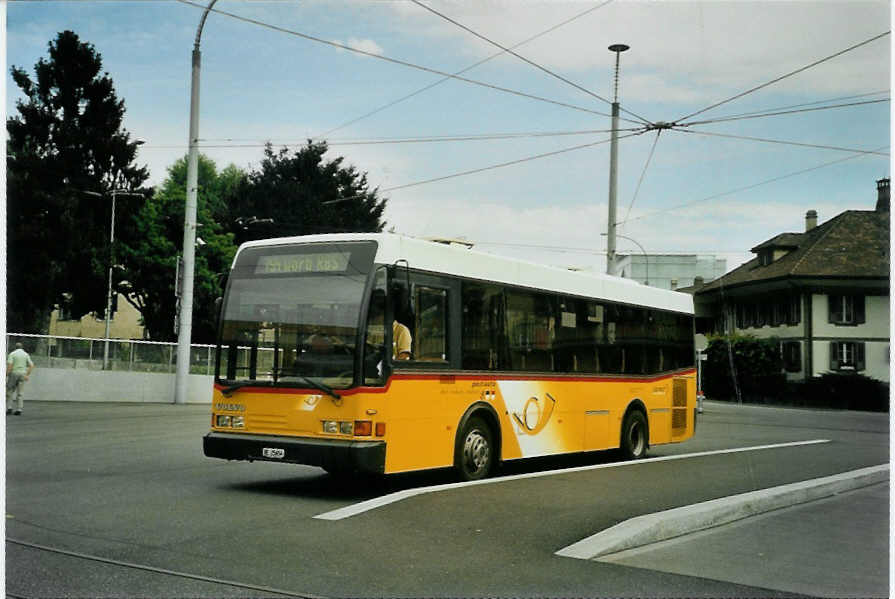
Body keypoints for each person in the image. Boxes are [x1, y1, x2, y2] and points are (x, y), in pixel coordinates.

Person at [7, 342, 34, 416]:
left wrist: (7, 374)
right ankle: (19, 409)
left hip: (14, 373)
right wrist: (27, 375)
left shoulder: (12, 354)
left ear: (15, 347)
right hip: (22, 374)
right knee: (20, 393)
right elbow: (31, 365)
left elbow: (10, 365)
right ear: (22, 347)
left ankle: (9, 408)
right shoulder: (26, 354)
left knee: (10, 391)